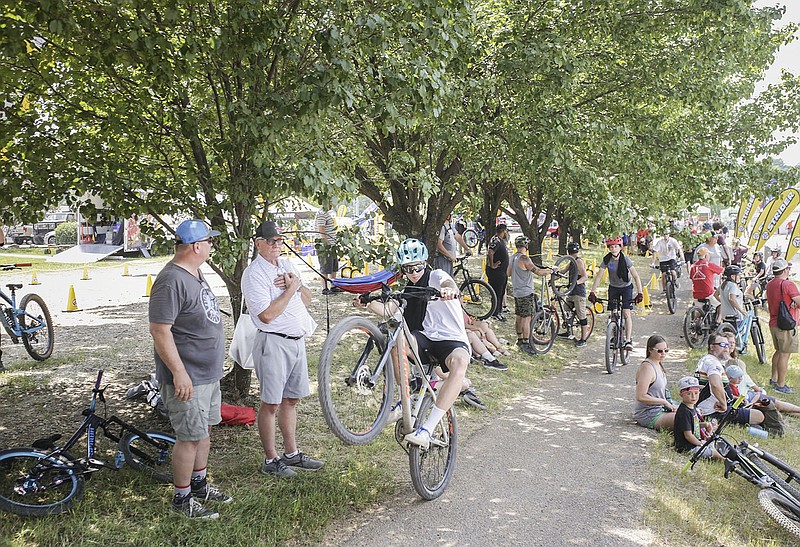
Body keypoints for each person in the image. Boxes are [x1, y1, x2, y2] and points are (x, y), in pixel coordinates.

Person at [148, 219, 231, 519]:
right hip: (189, 377)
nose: (212, 246)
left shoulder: (195, 272)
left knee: (203, 431)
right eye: (209, 241)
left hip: (207, 374)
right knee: (189, 437)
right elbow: (160, 330)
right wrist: (179, 372)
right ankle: (182, 499)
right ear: (196, 246)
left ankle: (199, 484)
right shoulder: (170, 280)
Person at [357, 238, 471, 449]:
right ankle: (404, 399)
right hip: (426, 339)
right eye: (408, 268)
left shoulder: (436, 276)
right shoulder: (408, 290)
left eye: (417, 266)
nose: (414, 272)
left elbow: (448, 283)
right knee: (396, 338)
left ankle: (427, 429)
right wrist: (366, 302)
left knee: (460, 362)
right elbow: (388, 310)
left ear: (425, 263)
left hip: (451, 339)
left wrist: (448, 290)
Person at [241, 221, 324, 478]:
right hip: (273, 341)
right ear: (258, 243)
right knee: (271, 402)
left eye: (280, 241)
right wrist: (290, 291)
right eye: (272, 241)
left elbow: (308, 299)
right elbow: (266, 315)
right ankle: (271, 458)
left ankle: (291, 452)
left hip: (296, 340)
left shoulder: (287, 265)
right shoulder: (254, 274)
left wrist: (296, 284)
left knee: (291, 399)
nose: (277, 245)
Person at [694, 333, 764, 426]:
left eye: (727, 345)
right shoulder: (712, 363)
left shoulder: (706, 360)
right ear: (712, 347)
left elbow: (708, 387)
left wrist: (735, 398)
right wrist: (724, 405)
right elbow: (715, 385)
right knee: (759, 416)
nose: (726, 348)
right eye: (722, 345)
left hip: (710, 406)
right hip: (712, 411)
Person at [588, 237, 643, 351]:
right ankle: (614, 336)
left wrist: (640, 292)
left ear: (620, 247)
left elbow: (636, 276)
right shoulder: (607, 260)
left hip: (626, 287)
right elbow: (599, 276)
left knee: (626, 313)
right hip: (613, 288)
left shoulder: (626, 259)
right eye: (611, 247)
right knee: (613, 314)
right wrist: (592, 291)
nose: (613, 249)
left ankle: (628, 340)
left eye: (616, 247)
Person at [508, 235, 556, 355]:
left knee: (519, 316)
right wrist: (551, 271)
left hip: (517, 291)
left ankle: (519, 340)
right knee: (526, 318)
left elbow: (508, 273)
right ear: (526, 246)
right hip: (526, 292)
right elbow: (538, 272)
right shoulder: (525, 259)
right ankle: (526, 343)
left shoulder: (512, 257)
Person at [765, 258, 800, 394]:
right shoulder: (788, 284)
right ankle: (781, 384)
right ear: (785, 270)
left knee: (778, 351)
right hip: (786, 324)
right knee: (785, 354)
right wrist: (795, 303)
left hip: (774, 321)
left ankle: (774, 379)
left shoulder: (770, 284)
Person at [673, 376, 723, 461]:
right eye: (689, 394)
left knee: (717, 442)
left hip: (694, 442)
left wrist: (705, 424)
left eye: (696, 393)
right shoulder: (684, 412)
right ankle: (724, 461)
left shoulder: (692, 407)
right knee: (713, 452)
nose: (693, 397)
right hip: (688, 447)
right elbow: (688, 435)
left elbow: (692, 424)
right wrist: (701, 444)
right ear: (681, 395)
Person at [634, 335, 677, 430]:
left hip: (661, 408)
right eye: (659, 351)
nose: (663, 354)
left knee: (693, 411)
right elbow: (640, 396)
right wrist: (664, 402)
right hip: (649, 413)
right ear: (650, 350)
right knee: (685, 418)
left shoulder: (658, 364)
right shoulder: (647, 368)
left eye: (666, 350)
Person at [726, 363, 800, 418]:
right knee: (778, 410)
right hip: (749, 404)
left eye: (741, 376)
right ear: (730, 378)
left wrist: (751, 401)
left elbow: (758, 391)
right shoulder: (727, 387)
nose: (740, 379)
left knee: (779, 405)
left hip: (753, 398)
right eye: (738, 377)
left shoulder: (743, 379)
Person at [565, 241, 590, 347]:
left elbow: (585, 276)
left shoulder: (578, 261)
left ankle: (583, 339)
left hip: (579, 292)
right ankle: (568, 331)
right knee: (567, 310)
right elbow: (563, 270)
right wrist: (553, 275)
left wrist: (577, 283)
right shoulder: (571, 261)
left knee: (581, 316)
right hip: (570, 291)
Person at [315, 200, 340, 294]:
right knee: (325, 267)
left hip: (332, 245)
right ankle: (325, 288)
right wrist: (326, 244)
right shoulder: (321, 213)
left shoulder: (328, 213)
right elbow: (321, 230)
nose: (331, 204)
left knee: (334, 267)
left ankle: (333, 286)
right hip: (325, 247)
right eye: (329, 202)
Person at [485, 223, 509, 321]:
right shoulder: (496, 240)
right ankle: (496, 312)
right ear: (503, 231)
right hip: (496, 272)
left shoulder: (500, 241)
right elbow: (490, 252)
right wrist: (492, 264)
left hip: (501, 272)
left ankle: (498, 310)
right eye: (506, 231)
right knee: (497, 292)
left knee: (501, 291)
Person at [718, 265, 747, 331]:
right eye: (738, 275)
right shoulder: (733, 285)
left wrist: (723, 302)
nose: (740, 277)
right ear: (733, 276)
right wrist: (741, 310)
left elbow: (716, 295)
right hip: (734, 315)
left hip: (725, 315)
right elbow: (732, 299)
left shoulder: (723, 285)